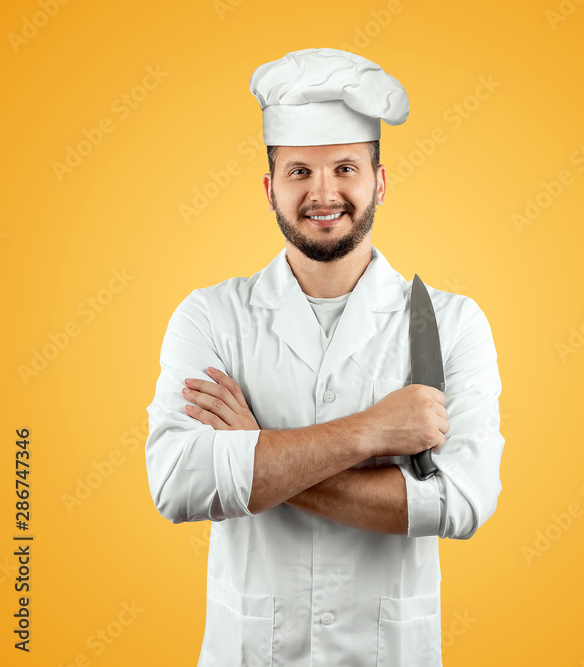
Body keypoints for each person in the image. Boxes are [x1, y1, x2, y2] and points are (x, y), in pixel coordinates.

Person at [143, 48, 504, 667]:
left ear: (380, 181)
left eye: (344, 168)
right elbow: (179, 484)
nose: (324, 193)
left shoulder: (450, 323)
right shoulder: (209, 317)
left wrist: (257, 450)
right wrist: (370, 432)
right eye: (299, 172)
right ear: (270, 188)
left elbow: (461, 504)